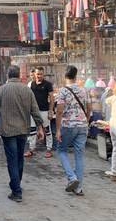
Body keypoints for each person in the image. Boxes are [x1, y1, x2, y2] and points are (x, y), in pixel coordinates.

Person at [0, 65, 44, 202]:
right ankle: (16, 184)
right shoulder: (27, 90)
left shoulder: (2, 89)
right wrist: (40, 127)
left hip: (8, 130)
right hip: (23, 129)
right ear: (18, 75)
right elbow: (35, 110)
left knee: (12, 159)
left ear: (8, 75)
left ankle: (16, 191)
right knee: (19, 158)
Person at [56, 65, 90, 196]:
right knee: (79, 156)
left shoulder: (63, 91)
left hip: (68, 125)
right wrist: (85, 121)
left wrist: (58, 129)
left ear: (65, 76)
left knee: (61, 150)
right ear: (76, 76)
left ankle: (72, 178)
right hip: (82, 126)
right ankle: (78, 188)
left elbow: (59, 111)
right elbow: (89, 107)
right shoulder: (84, 90)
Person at [25, 67, 54, 159]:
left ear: (43, 74)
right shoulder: (30, 84)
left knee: (47, 130)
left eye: (41, 74)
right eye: (37, 74)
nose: (39, 76)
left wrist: (50, 110)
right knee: (32, 130)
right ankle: (31, 149)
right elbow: (27, 97)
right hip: (33, 111)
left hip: (44, 110)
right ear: (34, 74)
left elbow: (52, 99)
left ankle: (49, 149)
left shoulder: (48, 84)